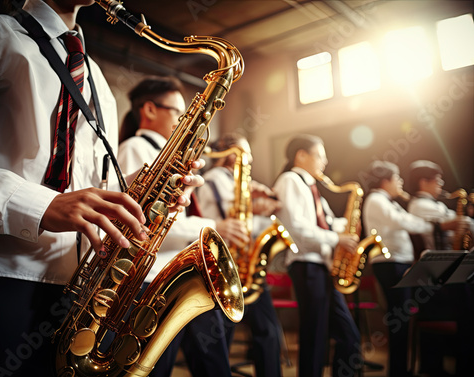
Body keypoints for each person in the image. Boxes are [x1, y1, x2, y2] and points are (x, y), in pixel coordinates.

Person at [0, 2, 202, 376]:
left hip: (77, 291)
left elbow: (95, 186)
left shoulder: (96, 77)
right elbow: (56, 196)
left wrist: (155, 196)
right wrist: (39, 205)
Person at [117, 76, 246, 377]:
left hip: (172, 277)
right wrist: (216, 227)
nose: (182, 121)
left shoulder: (162, 154)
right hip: (153, 280)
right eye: (177, 112)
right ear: (149, 109)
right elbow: (148, 226)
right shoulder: (136, 149)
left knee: (213, 365)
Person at [361, 160, 462, 377]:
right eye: (397, 178)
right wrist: (437, 225)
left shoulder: (388, 201)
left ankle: (403, 369)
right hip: (390, 263)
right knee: (399, 319)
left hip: (399, 262)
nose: (401, 183)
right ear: (385, 180)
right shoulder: (376, 199)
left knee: (404, 318)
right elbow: (403, 221)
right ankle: (399, 371)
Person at [196, 132, 284, 377]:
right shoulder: (214, 178)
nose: (250, 157)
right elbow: (230, 219)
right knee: (224, 337)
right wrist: (258, 210)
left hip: (246, 262)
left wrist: (257, 205)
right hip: (226, 265)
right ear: (231, 152)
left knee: (265, 331)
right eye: (245, 151)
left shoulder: (234, 180)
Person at [273, 134, 361, 377]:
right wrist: (337, 239)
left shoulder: (312, 188)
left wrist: (349, 225)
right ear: (301, 155)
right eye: (320, 155)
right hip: (305, 265)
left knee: (345, 335)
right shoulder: (290, 180)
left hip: (321, 266)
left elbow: (328, 223)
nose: (325, 161)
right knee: (315, 335)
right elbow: (296, 229)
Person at [406, 160, 474, 377]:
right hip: (433, 276)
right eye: (437, 180)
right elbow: (459, 223)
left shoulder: (437, 205)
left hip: (443, 273)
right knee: (467, 312)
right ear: (423, 182)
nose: (442, 184)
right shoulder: (420, 205)